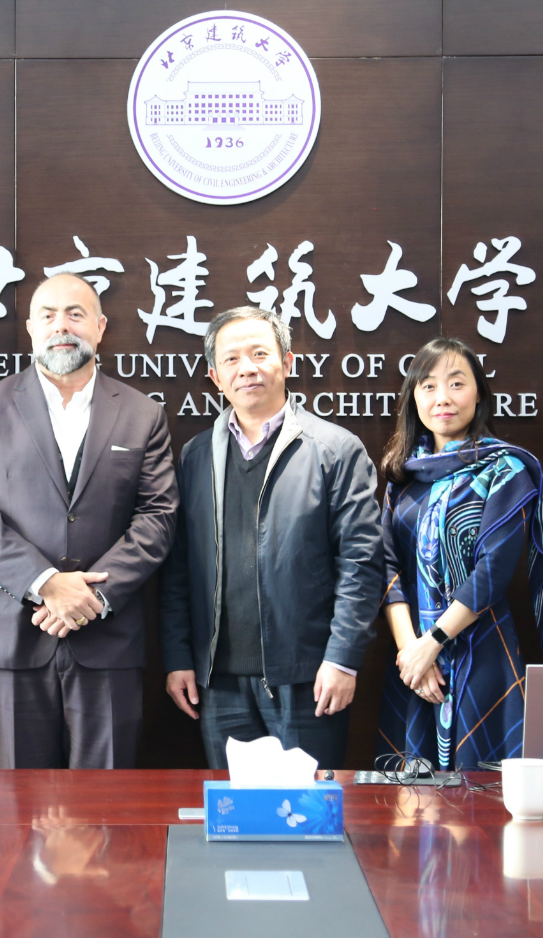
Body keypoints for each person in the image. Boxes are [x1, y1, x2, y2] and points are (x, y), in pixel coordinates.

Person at [0, 273, 178, 769]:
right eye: (48, 315)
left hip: (107, 634)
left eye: (75, 314)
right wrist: (46, 583)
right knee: (19, 800)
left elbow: (158, 517)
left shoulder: (142, 413)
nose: (62, 326)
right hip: (12, 630)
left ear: (100, 326)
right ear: (31, 327)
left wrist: (91, 597)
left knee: (107, 801)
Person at [159, 307, 385, 770]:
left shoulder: (335, 450)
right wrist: (179, 657)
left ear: (287, 361)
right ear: (215, 377)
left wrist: (342, 660)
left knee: (307, 810)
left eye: (259, 354)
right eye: (232, 359)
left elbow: (361, 565)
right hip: (218, 682)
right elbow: (179, 567)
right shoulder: (196, 455)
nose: (247, 368)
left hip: (308, 679)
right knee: (235, 810)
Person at [376, 337, 543, 772]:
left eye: (456, 384)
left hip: (482, 650)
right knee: (411, 800)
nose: (442, 398)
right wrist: (412, 652)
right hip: (413, 667)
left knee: (482, 797)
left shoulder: (506, 470)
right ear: (413, 398)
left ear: (479, 393)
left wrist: (434, 642)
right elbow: (386, 567)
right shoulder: (402, 478)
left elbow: (493, 570)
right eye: (428, 386)